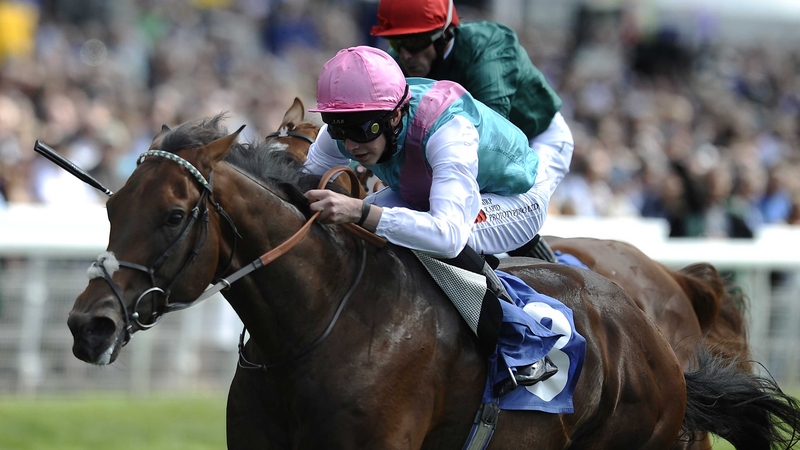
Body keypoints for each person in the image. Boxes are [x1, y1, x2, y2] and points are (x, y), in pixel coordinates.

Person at [303, 46, 575, 395]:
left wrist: (360, 211)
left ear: (396, 115)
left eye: (363, 129)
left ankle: (520, 344)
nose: (351, 143)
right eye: (339, 129)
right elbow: (299, 181)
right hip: (425, 188)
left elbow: (448, 236)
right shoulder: (347, 126)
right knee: (362, 231)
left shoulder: (449, 132)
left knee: (424, 242)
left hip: (513, 198)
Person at [369, 0, 572, 261]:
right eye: (397, 43)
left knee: (470, 214)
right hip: (469, 139)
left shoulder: (488, 47)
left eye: (416, 43)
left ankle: (547, 282)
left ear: (444, 35)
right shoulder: (399, 62)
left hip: (536, 138)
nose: (405, 55)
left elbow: (492, 138)